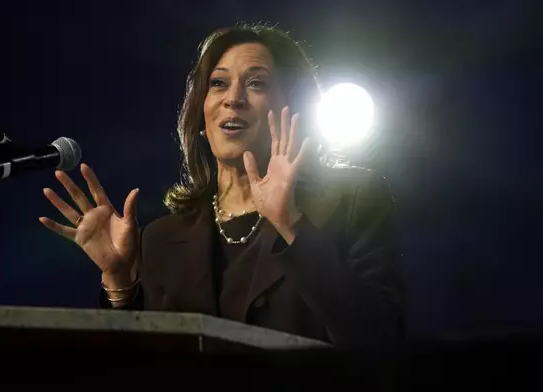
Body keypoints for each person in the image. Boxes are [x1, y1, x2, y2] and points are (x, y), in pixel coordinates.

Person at [39, 23, 406, 348]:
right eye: (218, 84)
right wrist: (119, 282)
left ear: (293, 107)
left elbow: (379, 341)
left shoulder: (353, 200)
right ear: (202, 111)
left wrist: (290, 223)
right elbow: (135, 370)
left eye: (256, 83)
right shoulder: (160, 239)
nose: (233, 99)